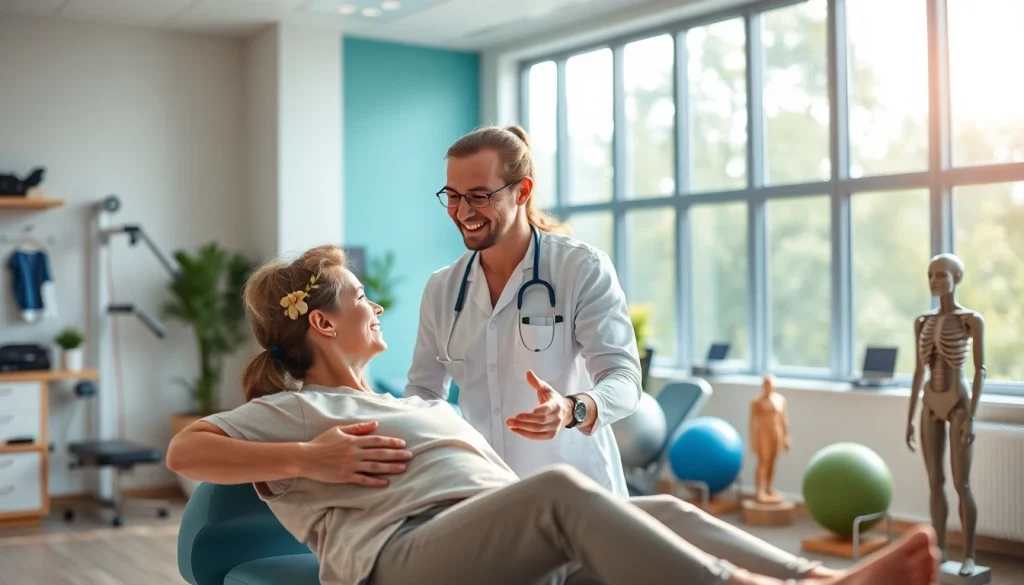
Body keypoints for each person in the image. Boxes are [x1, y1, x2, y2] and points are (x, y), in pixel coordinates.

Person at [166, 244, 940, 585]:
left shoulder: (400, 401)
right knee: (564, 496)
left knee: (661, 504)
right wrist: (309, 460)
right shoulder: (302, 409)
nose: (376, 304)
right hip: (394, 562)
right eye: (360, 297)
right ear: (323, 325)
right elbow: (188, 451)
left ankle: (816, 576)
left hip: (477, 537)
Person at [404, 125, 641, 497]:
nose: (463, 211)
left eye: (479, 196)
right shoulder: (441, 289)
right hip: (484, 492)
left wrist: (572, 408)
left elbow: (624, 379)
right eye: (453, 196)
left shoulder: (580, 269)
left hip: (578, 492)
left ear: (522, 191)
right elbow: (423, 389)